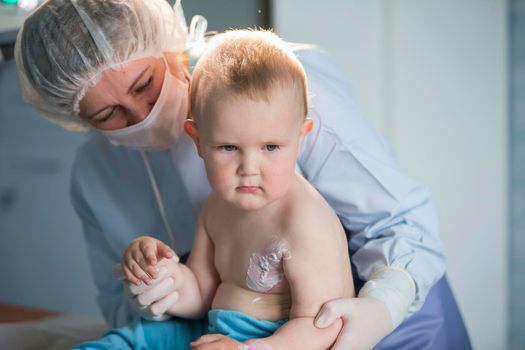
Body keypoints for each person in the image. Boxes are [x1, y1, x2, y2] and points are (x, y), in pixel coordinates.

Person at [14, 0, 471, 349]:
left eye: (143, 84)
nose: (140, 113)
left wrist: (380, 307)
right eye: (109, 113)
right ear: (75, 116)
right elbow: (131, 304)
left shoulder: (276, 86)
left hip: (385, 326)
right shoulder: (96, 174)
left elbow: (400, 226)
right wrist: (158, 287)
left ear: (165, 45)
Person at [76, 29, 355, 349]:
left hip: (277, 341)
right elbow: (201, 292)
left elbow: (323, 327)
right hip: (210, 327)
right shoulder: (217, 207)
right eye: (227, 147)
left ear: (301, 138)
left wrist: (248, 349)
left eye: (271, 147)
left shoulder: (304, 221)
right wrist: (162, 275)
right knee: (119, 343)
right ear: (198, 141)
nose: (249, 168)